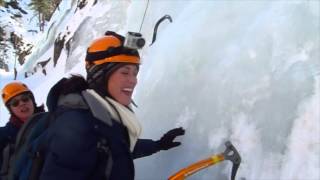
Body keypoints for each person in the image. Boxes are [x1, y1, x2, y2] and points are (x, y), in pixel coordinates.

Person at [39, 31, 185, 180]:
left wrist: (158, 145)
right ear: (99, 74)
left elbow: (115, 150)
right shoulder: (78, 126)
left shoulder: (99, 115)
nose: (133, 80)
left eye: (135, 73)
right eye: (124, 72)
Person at [0, 82, 44, 169]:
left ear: (32, 100)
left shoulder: (50, 119)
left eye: (25, 99)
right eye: (15, 103)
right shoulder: (5, 135)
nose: (21, 103)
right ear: (11, 109)